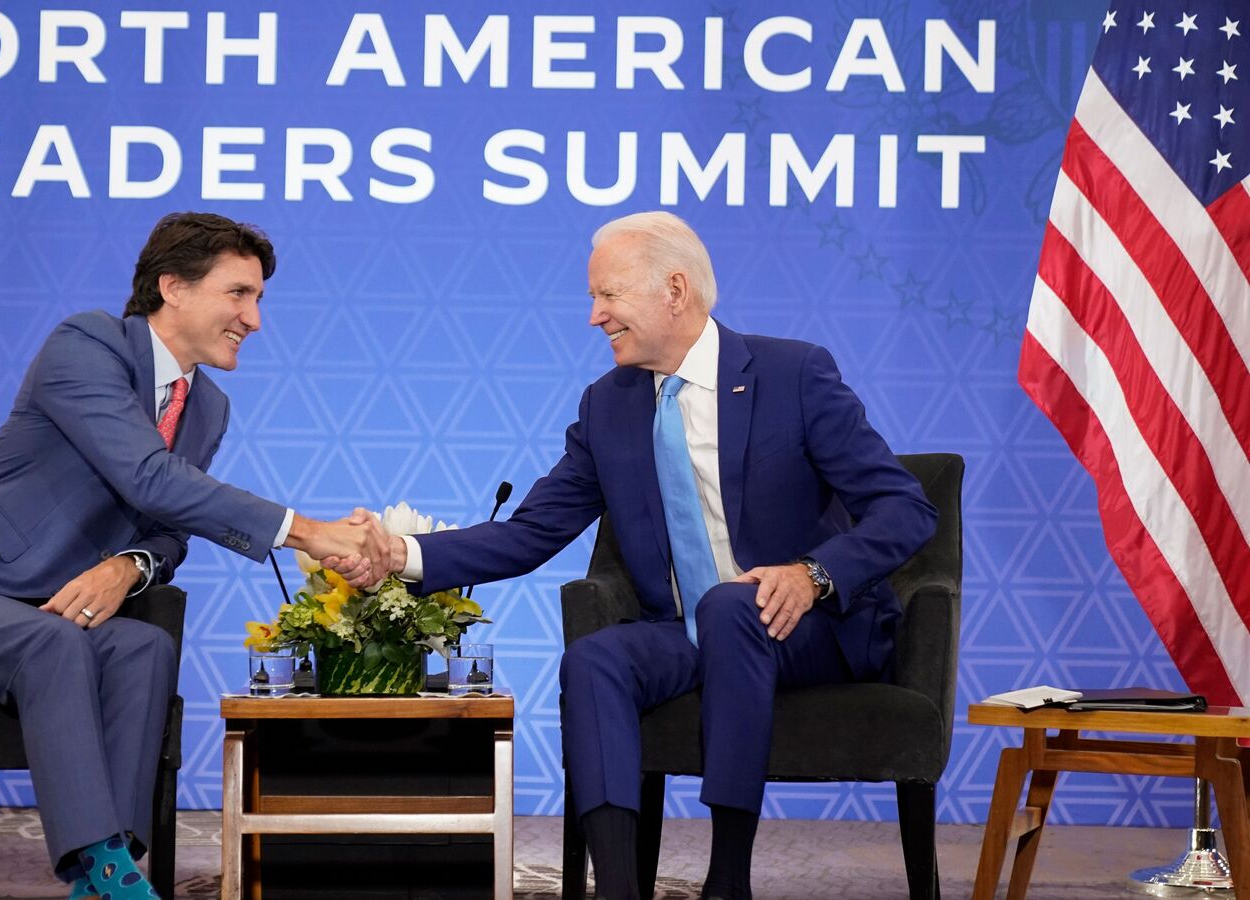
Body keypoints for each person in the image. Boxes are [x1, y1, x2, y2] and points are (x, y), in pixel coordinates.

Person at [347, 211, 937, 900]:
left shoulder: (793, 373)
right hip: (691, 631)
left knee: (731, 606)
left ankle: (727, 880)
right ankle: (618, 886)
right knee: (596, 657)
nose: (595, 316)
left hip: (812, 629)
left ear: (675, 290)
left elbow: (906, 508)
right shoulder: (610, 405)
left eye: (608, 295)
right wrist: (400, 555)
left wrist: (814, 575)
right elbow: (532, 532)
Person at [0, 212, 390, 898]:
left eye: (258, 298)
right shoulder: (86, 345)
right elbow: (151, 477)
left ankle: (106, 873)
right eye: (239, 293)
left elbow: (171, 526)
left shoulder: (207, 408)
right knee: (51, 647)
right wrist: (309, 532)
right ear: (173, 286)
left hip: (43, 610)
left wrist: (130, 567)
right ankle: (112, 877)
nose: (254, 319)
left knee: (142, 649)